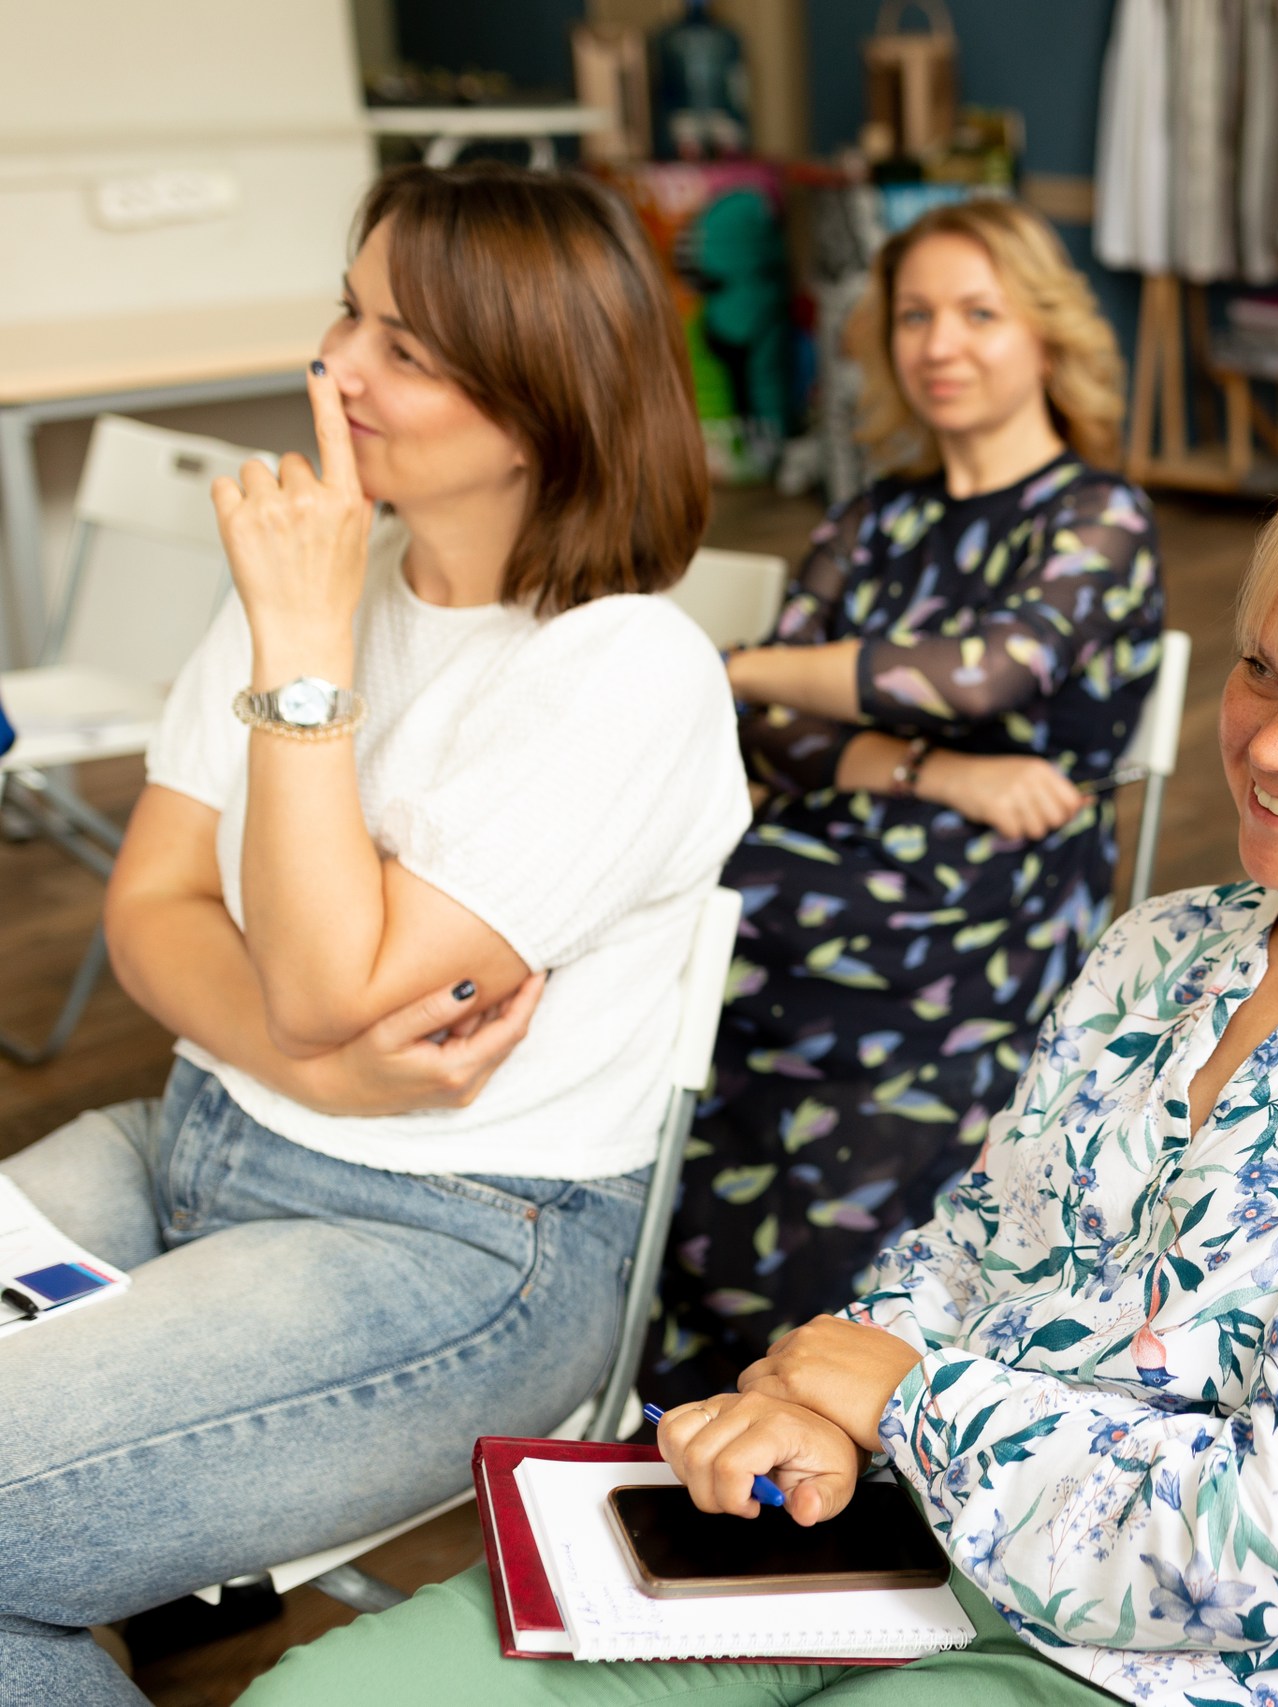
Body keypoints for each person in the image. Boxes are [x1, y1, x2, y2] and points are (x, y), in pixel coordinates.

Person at [238, 449, 1278, 1707]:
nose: (1270, 741)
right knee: (332, 1688)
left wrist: (910, 1399)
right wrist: (811, 1394)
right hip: (927, 1532)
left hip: (1195, 1667)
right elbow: (982, 1247)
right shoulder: (1165, 948)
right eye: (1259, 668)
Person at [0, 163, 748, 1705]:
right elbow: (149, 909)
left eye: (406, 346)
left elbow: (331, 969)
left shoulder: (626, 670)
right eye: (353, 308)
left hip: (453, 1240)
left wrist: (297, 642)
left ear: (541, 398)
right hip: (190, 1136)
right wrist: (314, 1062)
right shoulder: (331, 577)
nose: (336, 365)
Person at [650, 200, 1164, 1403]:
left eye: (979, 313)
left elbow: (991, 669)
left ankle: (807, 1380)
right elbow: (771, 729)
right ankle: (682, 1389)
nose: (941, 342)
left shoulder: (1096, 516)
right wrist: (930, 766)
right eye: (916, 315)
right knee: (690, 906)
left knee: (720, 924)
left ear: (1044, 334)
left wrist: (737, 662)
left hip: (989, 899)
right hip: (849, 842)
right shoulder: (874, 514)